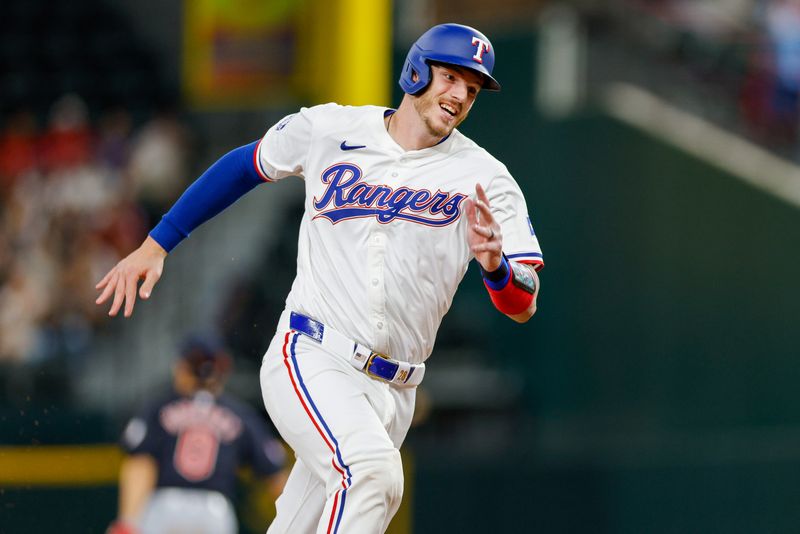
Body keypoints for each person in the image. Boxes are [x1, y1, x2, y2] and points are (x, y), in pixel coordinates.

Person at [96, 23, 544, 534]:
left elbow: (522, 302)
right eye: (451, 77)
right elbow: (245, 165)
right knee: (372, 474)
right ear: (416, 71)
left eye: (473, 86)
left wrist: (496, 268)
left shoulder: (486, 177)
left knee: (303, 522)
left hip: (396, 389)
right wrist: (158, 243)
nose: (461, 94)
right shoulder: (331, 129)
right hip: (313, 354)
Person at [107, 335, 288, 534]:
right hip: (215, 512)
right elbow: (276, 478)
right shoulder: (240, 414)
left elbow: (141, 464)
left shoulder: (159, 406)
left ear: (183, 366)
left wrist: (127, 522)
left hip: (166, 506)